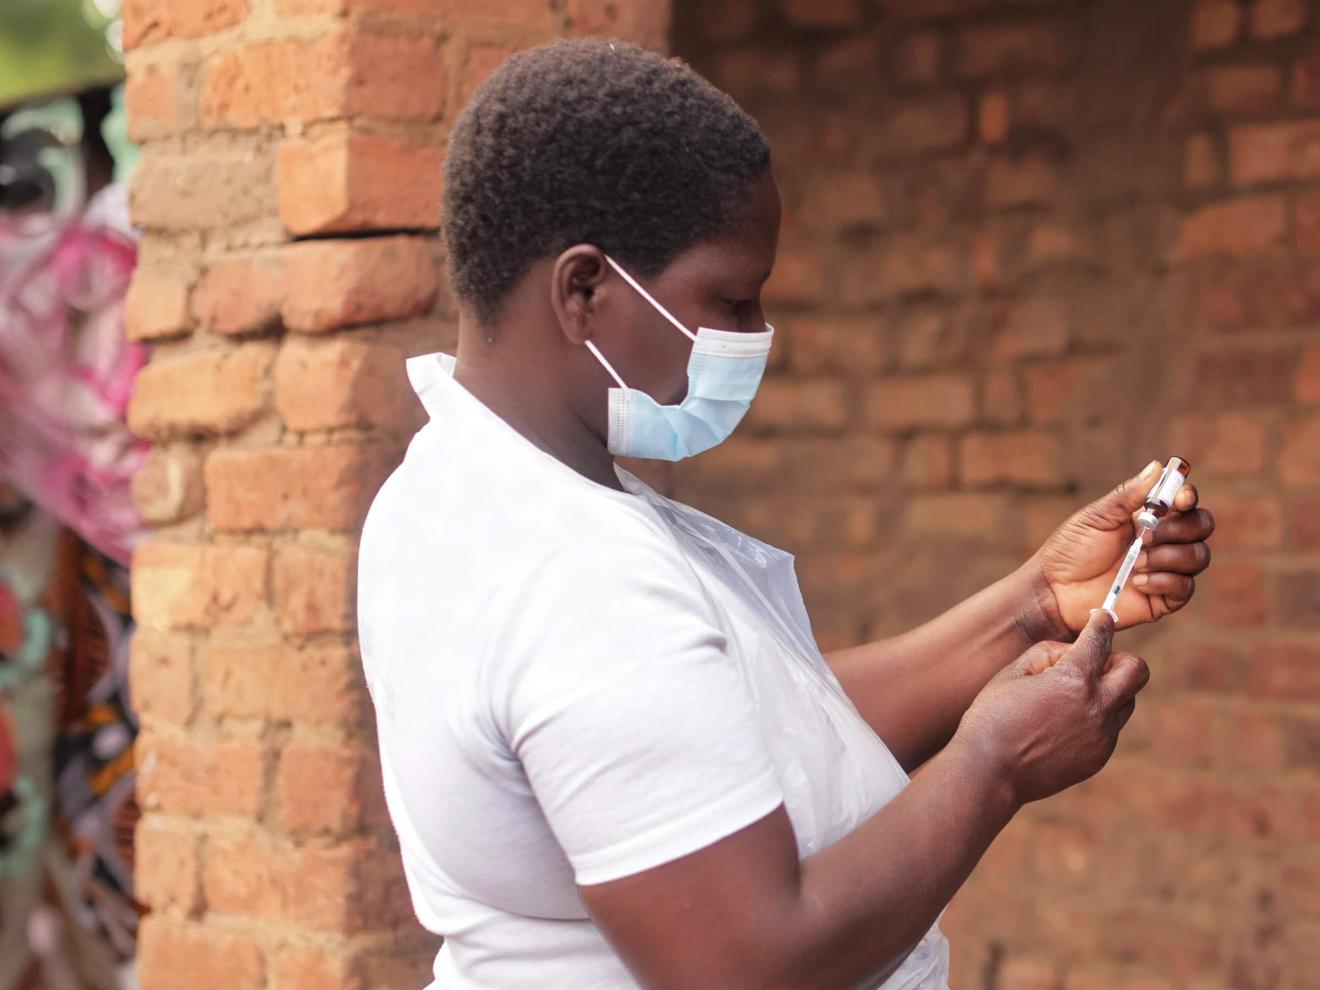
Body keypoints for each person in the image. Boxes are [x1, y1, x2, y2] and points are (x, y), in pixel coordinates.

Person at [355, 38, 1215, 990]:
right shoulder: (570, 574)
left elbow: (733, 737)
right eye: (732, 299)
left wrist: (1034, 607)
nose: (755, 336)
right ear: (585, 291)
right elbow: (749, 962)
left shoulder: (457, 493)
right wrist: (995, 765)